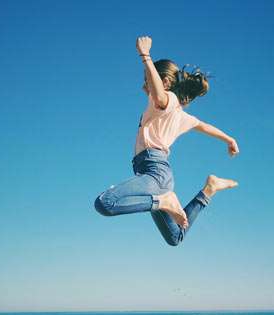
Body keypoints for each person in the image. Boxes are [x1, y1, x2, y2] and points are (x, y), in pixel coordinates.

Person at [94, 36, 239, 246]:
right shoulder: (181, 115)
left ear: (165, 82)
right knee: (175, 237)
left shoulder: (166, 100)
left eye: (147, 80)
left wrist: (145, 56)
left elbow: (161, 96)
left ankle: (164, 201)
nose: (144, 86)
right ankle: (209, 190)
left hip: (155, 171)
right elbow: (204, 126)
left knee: (105, 203)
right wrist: (229, 139)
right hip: (155, 174)